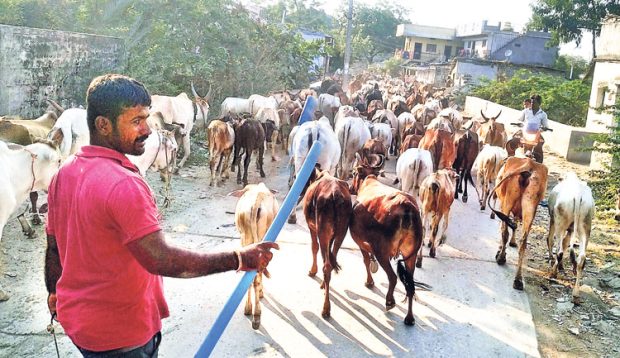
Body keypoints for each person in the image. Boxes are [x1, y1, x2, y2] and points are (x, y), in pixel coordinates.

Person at [44, 74, 279, 357]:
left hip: (81, 327)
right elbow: (161, 259)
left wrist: (54, 293)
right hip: (122, 336)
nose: (147, 130)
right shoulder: (125, 184)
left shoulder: (65, 172)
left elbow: (53, 247)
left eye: (146, 119)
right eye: (136, 121)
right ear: (103, 125)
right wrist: (240, 258)